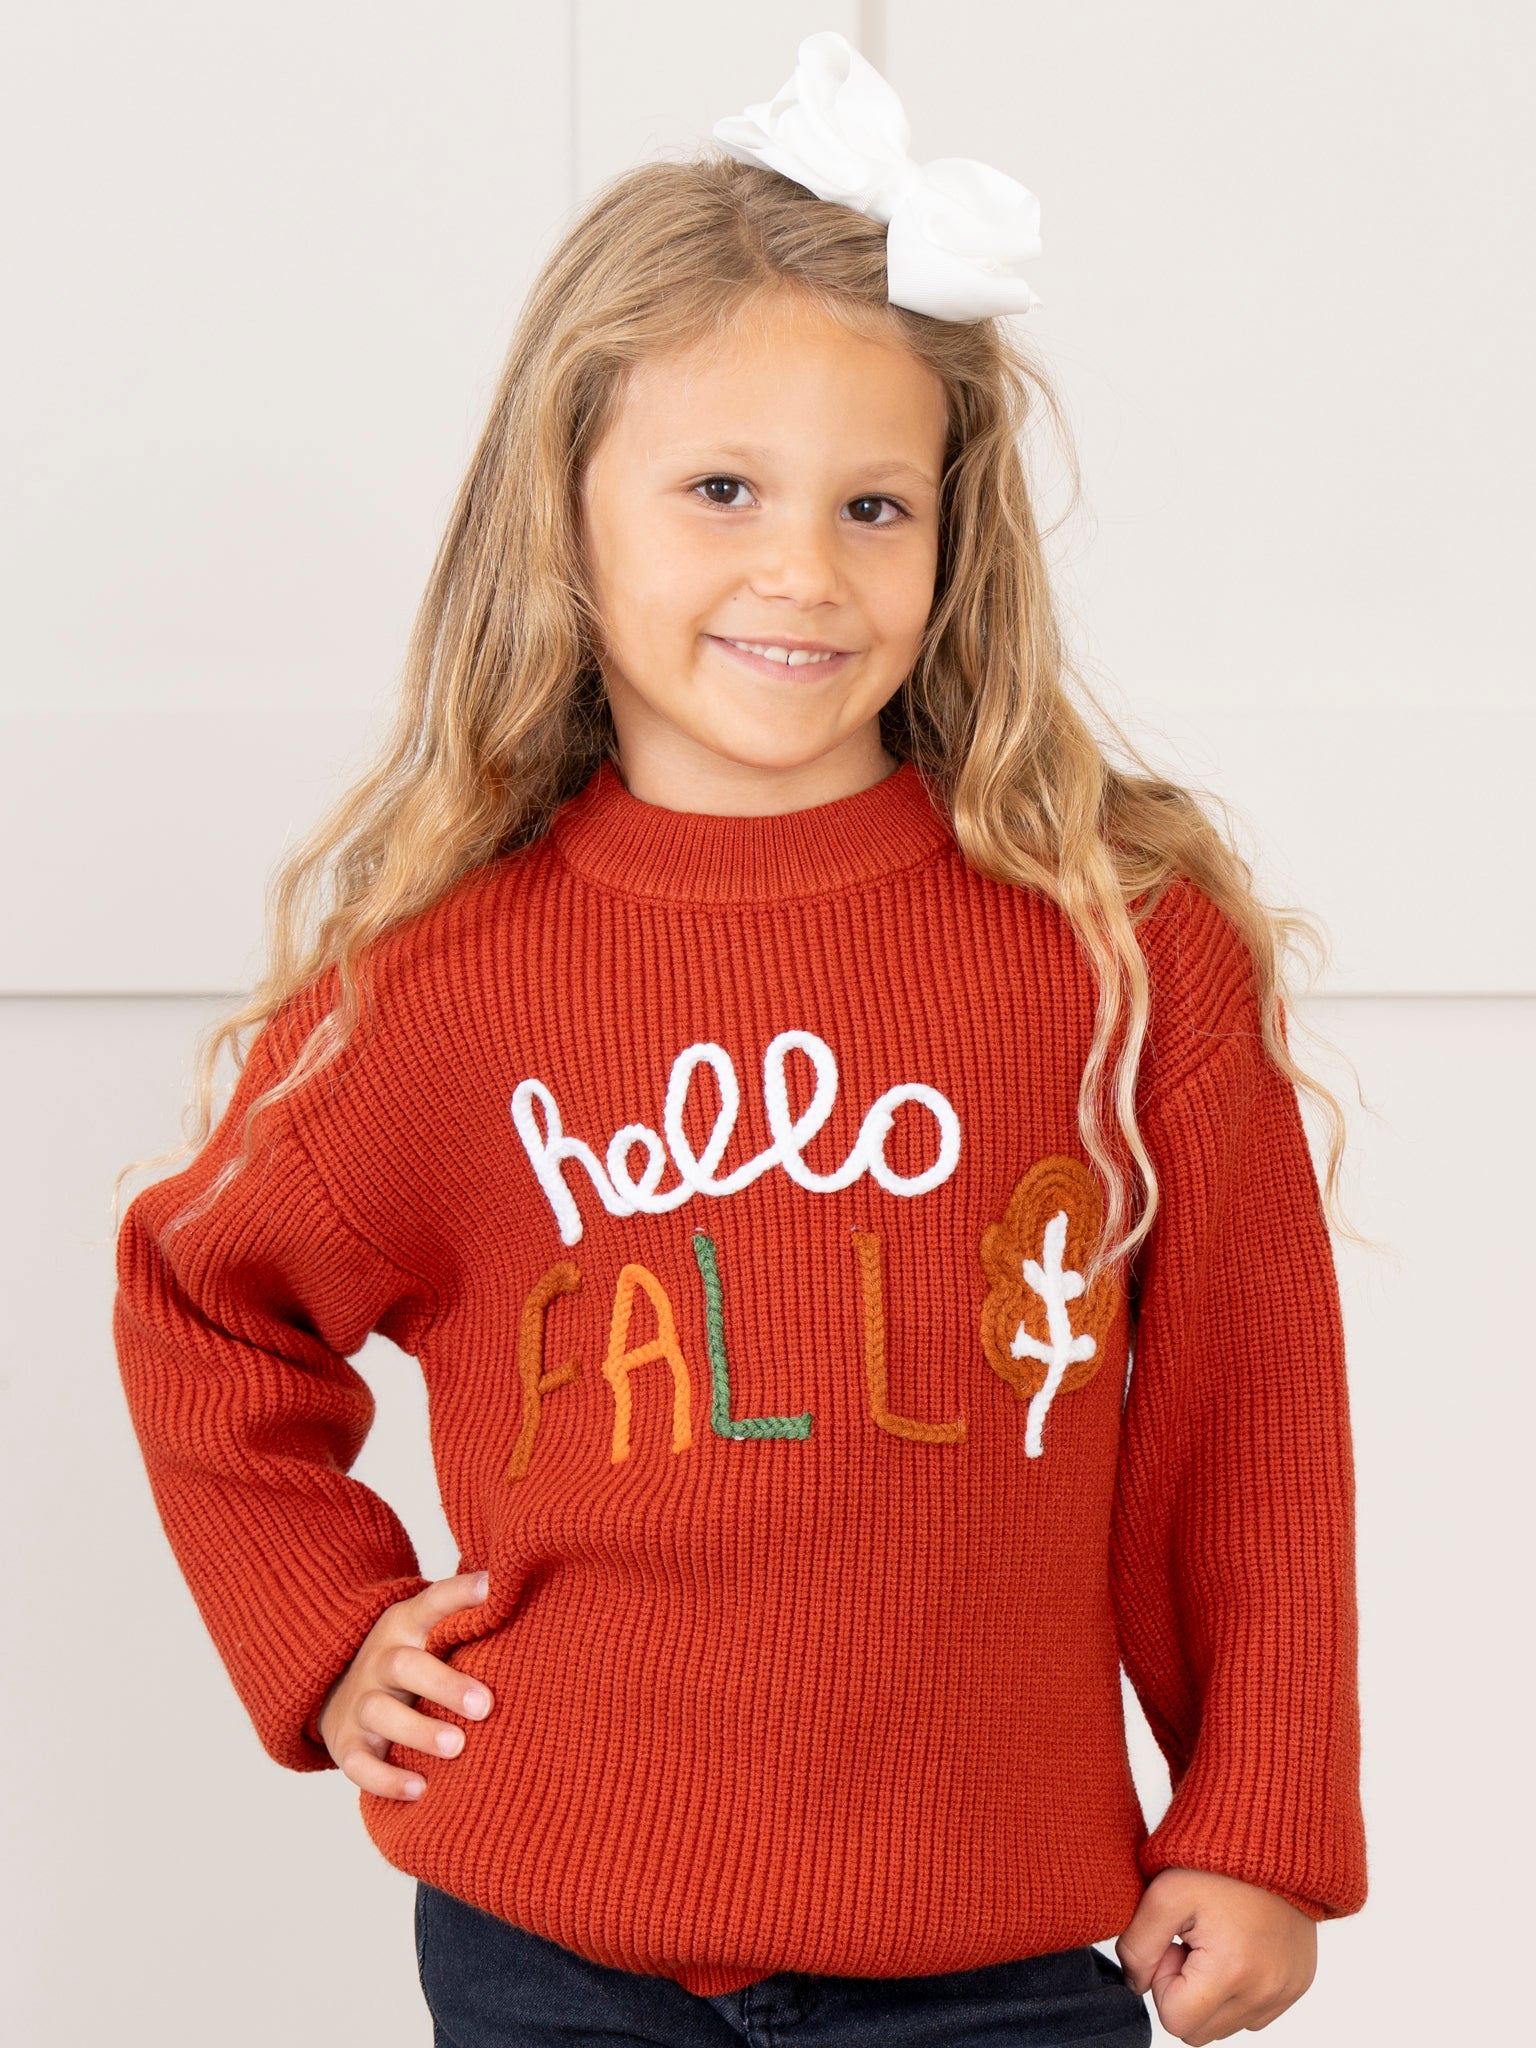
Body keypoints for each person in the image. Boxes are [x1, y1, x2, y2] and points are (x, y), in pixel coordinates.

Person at [111, 31, 1367, 2048]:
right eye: (721, 490)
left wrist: (1261, 1815)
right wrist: (326, 1629)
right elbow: (203, 1296)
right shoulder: (448, 979)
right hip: (547, 1944)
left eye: (874, 504)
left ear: (954, 539)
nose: (803, 569)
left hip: (994, 1952)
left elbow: (1250, 1423)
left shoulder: (1118, 955)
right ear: (567, 512)